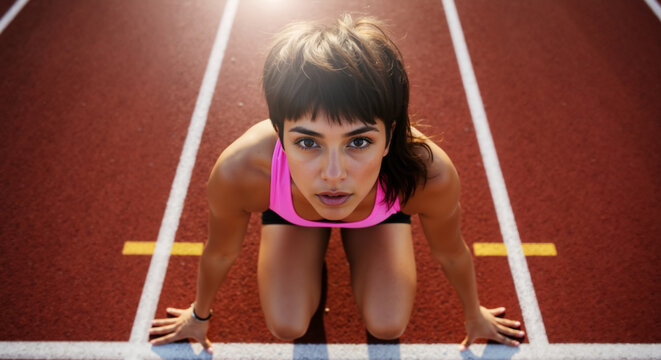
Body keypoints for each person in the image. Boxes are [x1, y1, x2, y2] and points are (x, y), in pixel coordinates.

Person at [149, 14, 524, 354]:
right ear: (279, 133)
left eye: (358, 142)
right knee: (286, 324)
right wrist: (198, 317)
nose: (333, 174)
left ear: (390, 137)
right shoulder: (242, 170)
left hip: (377, 215)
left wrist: (473, 314)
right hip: (293, 213)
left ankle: (372, 229)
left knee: (388, 323)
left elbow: (451, 252)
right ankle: (301, 239)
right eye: (307, 142)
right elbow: (220, 252)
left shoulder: (427, 173)